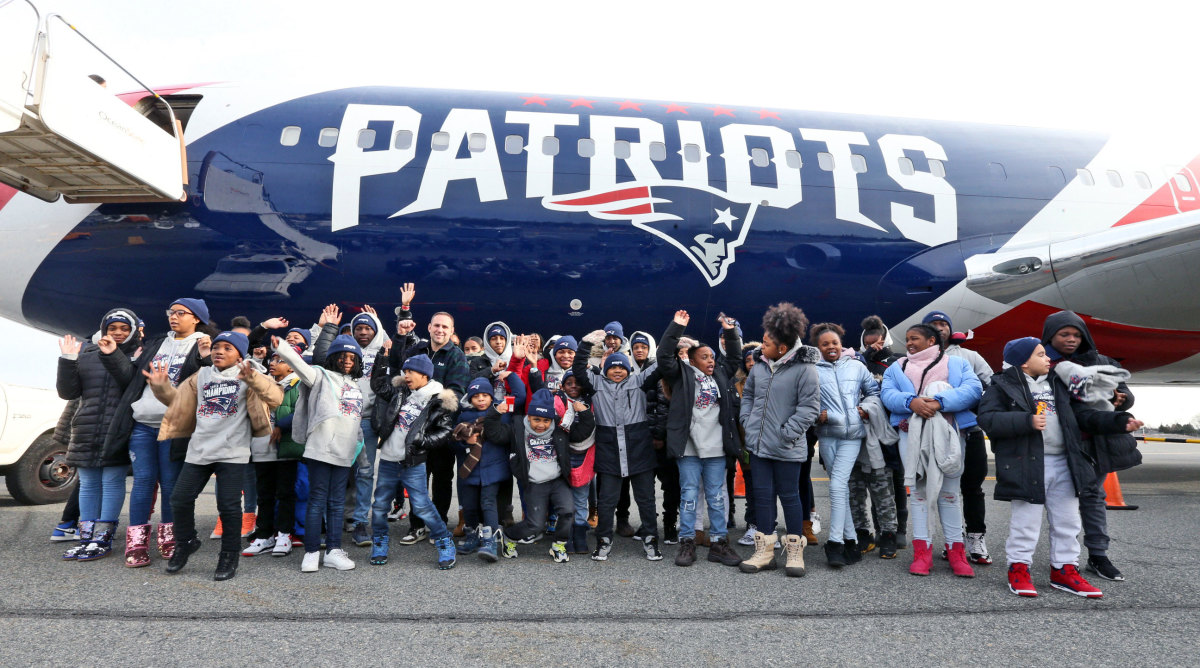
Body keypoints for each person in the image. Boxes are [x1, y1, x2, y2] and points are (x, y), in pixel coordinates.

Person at [977, 338, 1143, 598]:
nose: (1048, 359)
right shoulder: (1002, 385)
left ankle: (1064, 570)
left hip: (1065, 462)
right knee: (1026, 523)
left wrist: (1118, 421)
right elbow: (987, 419)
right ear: (1023, 362)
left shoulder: (1058, 384)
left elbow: (1083, 415)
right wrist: (1026, 421)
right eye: (1041, 355)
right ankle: (1019, 569)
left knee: (1068, 521)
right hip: (1027, 464)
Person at [145, 331, 283, 581]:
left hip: (232, 451)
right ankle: (186, 542)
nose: (219, 351)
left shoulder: (249, 373)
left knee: (229, 506)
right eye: (217, 347)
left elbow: (275, 397)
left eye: (228, 348)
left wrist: (253, 379)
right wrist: (161, 387)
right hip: (199, 449)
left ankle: (229, 555)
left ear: (240, 355)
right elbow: (179, 402)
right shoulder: (201, 375)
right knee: (179, 498)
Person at [101, 297, 215, 565]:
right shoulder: (155, 343)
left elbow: (211, 384)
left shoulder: (203, 345)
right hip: (141, 423)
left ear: (196, 318)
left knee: (171, 483)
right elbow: (130, 379)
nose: (173, 316)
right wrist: (112, 355)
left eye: (181, 313)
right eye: (171, 312)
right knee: (142, 482)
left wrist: (207, 357)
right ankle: (136, 543)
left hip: (175, 425)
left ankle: (170, 539)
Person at [1041, 311, 1139, 582]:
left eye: (1077, 335)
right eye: (1064, 334)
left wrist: (1121, 399)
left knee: (1093, 496)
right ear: (1050, 336)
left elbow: (1127, 393)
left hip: (1094, 442)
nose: (1071, 339)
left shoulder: (1102, 362)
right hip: (1058, 443)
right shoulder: (1042, 364)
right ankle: (1062, 558)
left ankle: (1098, 555)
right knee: (1058, 502)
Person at [880, 323, 982, 577]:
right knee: (918, 493)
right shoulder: (897, 367)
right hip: (910, 435)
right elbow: (887, 394)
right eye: (907, 339)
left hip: (950, 435)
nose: (909, 343)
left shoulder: (957, 364)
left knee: (949, 494)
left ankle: (956, 552)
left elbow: (973, 390)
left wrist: (939, 403)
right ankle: (922, 553)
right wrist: (911, 402)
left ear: (931, 341)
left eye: (914, 338)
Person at [271, 308, 365, 574]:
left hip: (344, 453)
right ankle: (311, 552)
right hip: (320, 450)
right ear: (333, 357)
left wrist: (358, 452)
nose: (347, 361)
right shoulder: (320, 376)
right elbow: (300, 365)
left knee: (336, 503)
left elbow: (356, 423)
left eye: (352, 357)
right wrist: (283, 348)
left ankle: (333, 551)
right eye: (342, 356)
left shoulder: (355, 386)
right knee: (317, 501)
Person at [738, 303, 820, 577]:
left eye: (766, 343)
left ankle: (795, 552)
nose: (761, 347)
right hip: (759, 446)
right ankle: (764, 552)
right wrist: (748, 422)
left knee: (790, 496)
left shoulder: (805, 369)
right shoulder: (759, 366)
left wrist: (786, 433)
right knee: (762, 497)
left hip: (787, 446)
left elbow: (809, 408)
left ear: (782, 348)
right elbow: (749, 396)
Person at [658, 310, 744, 568]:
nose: (710, 361)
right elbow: (664, 356)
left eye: (712, 357)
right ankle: (687, 542)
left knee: (717, 496)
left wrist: (730, 331)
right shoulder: (681, 375)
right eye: (704, 357)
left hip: (717, 448)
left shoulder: (721, 374)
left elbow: (735, 356)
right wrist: (677, 327)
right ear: (692, 360)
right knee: (688, 495)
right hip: (689, 449)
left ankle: (719, 542)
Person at [56, 308, 142, 563]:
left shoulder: (138, 354)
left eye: (124, 328)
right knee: (88, 483)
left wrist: (113, 354)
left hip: (118, 428)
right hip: (86, 427)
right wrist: (68, 360)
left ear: (133, 332)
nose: (118, 333)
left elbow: (130, 384)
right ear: (104, 329)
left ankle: (103, 539)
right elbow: (68, 393)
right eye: (112, 328)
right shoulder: (87, 354)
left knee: (112, 481)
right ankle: (86, 538)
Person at [574, 324, 664, 561]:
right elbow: (578, 369)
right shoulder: (596, 384)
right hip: (609, 451)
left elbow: (662, 364)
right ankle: (603, 540)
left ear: (628, 369)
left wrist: (674, 333)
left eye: (621, 367)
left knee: (646, 499)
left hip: (640, 450)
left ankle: (650, 539)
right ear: (605, 369)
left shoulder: (639, 381)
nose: (617, 370)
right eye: (612, 367)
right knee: (606, 501)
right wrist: (585, 343)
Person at [367, 354, 459, 569]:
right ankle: (379, 542)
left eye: (411, 372)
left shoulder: (438, 400)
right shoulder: (400, 392)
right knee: (380, 506)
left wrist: (423, 441)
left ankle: (444, 541)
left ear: (424, 375)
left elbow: (445, 431)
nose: (406, 376)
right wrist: (382, 358)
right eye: (405, 371)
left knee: (422, 506)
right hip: (389, 459)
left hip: (413, 462)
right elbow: (378, 385)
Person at [484, 389, 595, 563]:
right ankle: (510, 536)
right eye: (536, 419)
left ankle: (559, 544)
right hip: (534, 483)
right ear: (529, 416)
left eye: (546, 420)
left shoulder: (560, 428)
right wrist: (495, 413)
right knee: (535, 524)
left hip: (557, 480)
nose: (541, 425)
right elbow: (495, 434)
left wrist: (585, 412)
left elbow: (581, 433)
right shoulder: (518, 428)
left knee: (568, 512)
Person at [922, 310, 994, 565]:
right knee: (942, 490)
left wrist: (974, 408)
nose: (940, 327)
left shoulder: (969, 356)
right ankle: (954, 541)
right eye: (934, 324)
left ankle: (976, 537)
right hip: (935, 433)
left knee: (972, 487)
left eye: (944, 323)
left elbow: (990, 385)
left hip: (969, 431)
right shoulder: (919, 359)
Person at [811, 322, 882, 568]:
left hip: (853, 435)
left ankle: (834, 543)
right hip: (827, 434)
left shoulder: (857, 366)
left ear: (841, 344)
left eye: (834, 342)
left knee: (837, 485)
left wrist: (864, 409)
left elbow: (874, 392)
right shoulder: (811, 371)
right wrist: (818, 415)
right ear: (818, 347)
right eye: (825, 344)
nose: (831, 347)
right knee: (840, 487)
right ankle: (851, 541)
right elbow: (804, 401)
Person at [318, 305, 388, 548]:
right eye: (359, 328)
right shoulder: (342, 353)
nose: (363, 332)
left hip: (367, 421)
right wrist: (325, 328)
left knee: (365, 473)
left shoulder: (383, 352)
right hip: (340, 420)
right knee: (335, 470)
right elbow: (319, 357)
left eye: (369, 328)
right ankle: (329, 522)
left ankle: (359, 522)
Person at [401, 307, 469, 545]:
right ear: (429, 327)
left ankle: (438, 525)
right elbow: (403, 381)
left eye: (445, 327)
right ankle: (416, 526)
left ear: (452, 331)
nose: (440, 330)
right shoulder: (416, 351)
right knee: (417, 479)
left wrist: (429, 417)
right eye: (436, 325)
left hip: (441, 430)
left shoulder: (457, 356)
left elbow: (456, 393)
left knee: (441, 479)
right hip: (413, 427)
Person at [452, 376, 525, 561]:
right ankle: (472, 535)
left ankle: (490, 540)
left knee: (488, 503)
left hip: (493, 469)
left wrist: (511, 375)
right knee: (469, 505)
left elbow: (520, 396)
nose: (481, 399)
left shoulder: (502, 411)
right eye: (476, 396)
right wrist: (466, 443)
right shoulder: (464, 416)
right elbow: (454, 440)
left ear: (492, 397)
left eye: (485, 395)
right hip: (470, 470)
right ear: (470, 399)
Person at [241, 344, 305, 558]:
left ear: (292, 366)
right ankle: (264, 535)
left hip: (285, 446)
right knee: (264, 493)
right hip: (261, 446)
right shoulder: (262, 382)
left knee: (285, 493)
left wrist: (281, 426)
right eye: (273, 360)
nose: (274, 363)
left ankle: (284, 534)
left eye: (280, 360)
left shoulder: (299, 384)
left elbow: (302, 411)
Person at [857, 315, 907, 548]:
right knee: (876, 482)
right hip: (869, 431)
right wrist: (866, 357)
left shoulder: (898, 361)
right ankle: (880, 529)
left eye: (877, 343)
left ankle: (900, 529)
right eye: (868, 344)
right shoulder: (859, 363)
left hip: (893, 430)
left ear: (886, 340)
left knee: (897, 481)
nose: (873, 348)